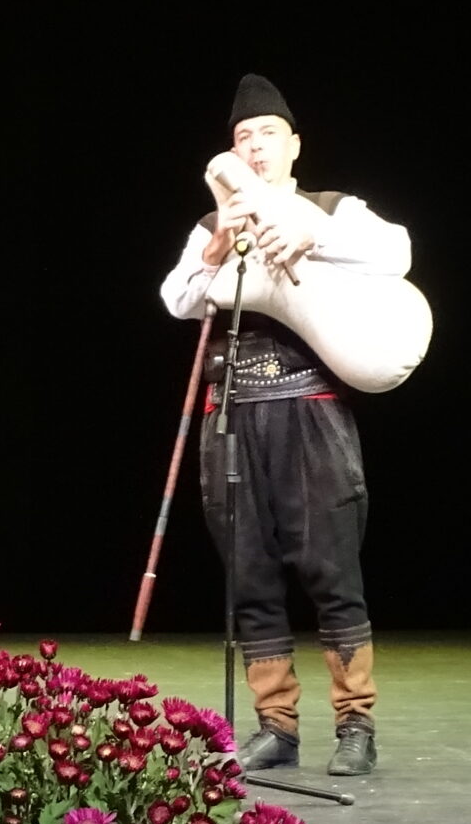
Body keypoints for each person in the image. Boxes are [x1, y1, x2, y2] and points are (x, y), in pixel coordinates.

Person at [159, 74, 411, 777]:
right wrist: (215, 249)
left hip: (309, 409)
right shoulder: (212, 226)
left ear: (294, 145)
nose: (255, 146)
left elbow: (397, 253)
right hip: (232, 415)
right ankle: (277, 726)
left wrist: (310, 234)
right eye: (243, 137)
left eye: (267, 134)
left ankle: (356, 724)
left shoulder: (333, 209)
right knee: (249, 574)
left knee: (331, 569)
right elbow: (177, 300)